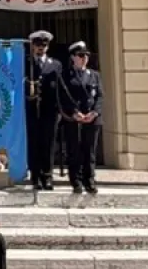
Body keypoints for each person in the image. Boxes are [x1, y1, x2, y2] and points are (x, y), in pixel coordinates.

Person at [61, 41, 103, 194]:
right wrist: (74, 112)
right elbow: (63, 97)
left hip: (92, 118)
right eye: (80, 55)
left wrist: (95, 112)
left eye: (86, 55)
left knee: (90, 150)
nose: (84, 58)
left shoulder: (94, 75)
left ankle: (89, 179)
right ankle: (76, 180)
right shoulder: (66, 75)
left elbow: (99, 96)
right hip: (75, 119)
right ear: (73, 57)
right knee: (74, 150)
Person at [25, 30, 63, 190]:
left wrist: (61, 110)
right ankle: (35, 177)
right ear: (33, 46)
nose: (41, 48)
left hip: (49, 110)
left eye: (44, 45)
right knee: (33, 143)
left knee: (48, 144)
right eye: (38, 45)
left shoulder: (55, 64)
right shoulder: (26, 63)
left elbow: (60, 89)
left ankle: (47, 176)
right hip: (32, 109)